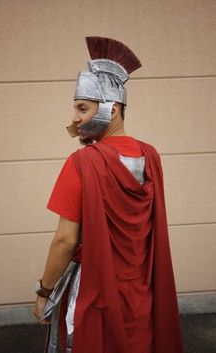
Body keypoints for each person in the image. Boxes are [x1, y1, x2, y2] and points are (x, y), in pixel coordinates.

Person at [34, 36, 184, 353]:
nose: (74, 118)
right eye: (75, 108)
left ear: (112, 109)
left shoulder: (82, 162)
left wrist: (45, 290)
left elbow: (65, 240)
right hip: (143, 290)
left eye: (83, 108)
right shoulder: (150, 156)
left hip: (95, 294)